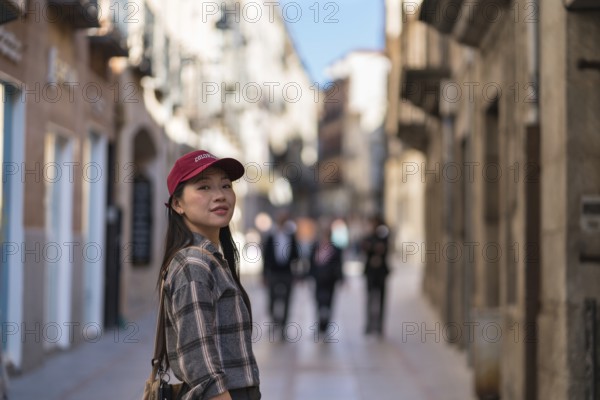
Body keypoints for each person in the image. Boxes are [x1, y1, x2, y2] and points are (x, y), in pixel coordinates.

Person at [161, 150, 260, 400]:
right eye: (204, 187)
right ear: (178, 204)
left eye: (226, 185)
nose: (220, 196)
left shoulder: (211, 259)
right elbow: (199, 362)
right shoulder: (194, 264)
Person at [262, 211, 299, 335]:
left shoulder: (291, 236)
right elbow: (265, 257)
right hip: (273, 272)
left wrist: (297, 273)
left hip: (287, 272)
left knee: (287, 300)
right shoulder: (271, 237)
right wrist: (264, 275)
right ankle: (274, 321)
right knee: (272, 299)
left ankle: (283, 326)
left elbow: (296, 255)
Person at [308, 221, 344, 333]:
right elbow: (311, 263)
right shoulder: (316, 246)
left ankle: (326, 326)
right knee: (318, 302)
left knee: (329, 302)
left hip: (330, 280)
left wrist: (340, 278)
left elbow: (338, 264)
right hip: (318, 279)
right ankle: (319, 324)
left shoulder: (335, 248)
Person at [362, 215, 390, 336]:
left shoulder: (383, 236)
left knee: (381, 299)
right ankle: (369, 324)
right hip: (370, 273)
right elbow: (366, 247)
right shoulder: (368, 237)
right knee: (369, 299)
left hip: (381, 273)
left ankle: (379, 326)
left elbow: (383, 248)